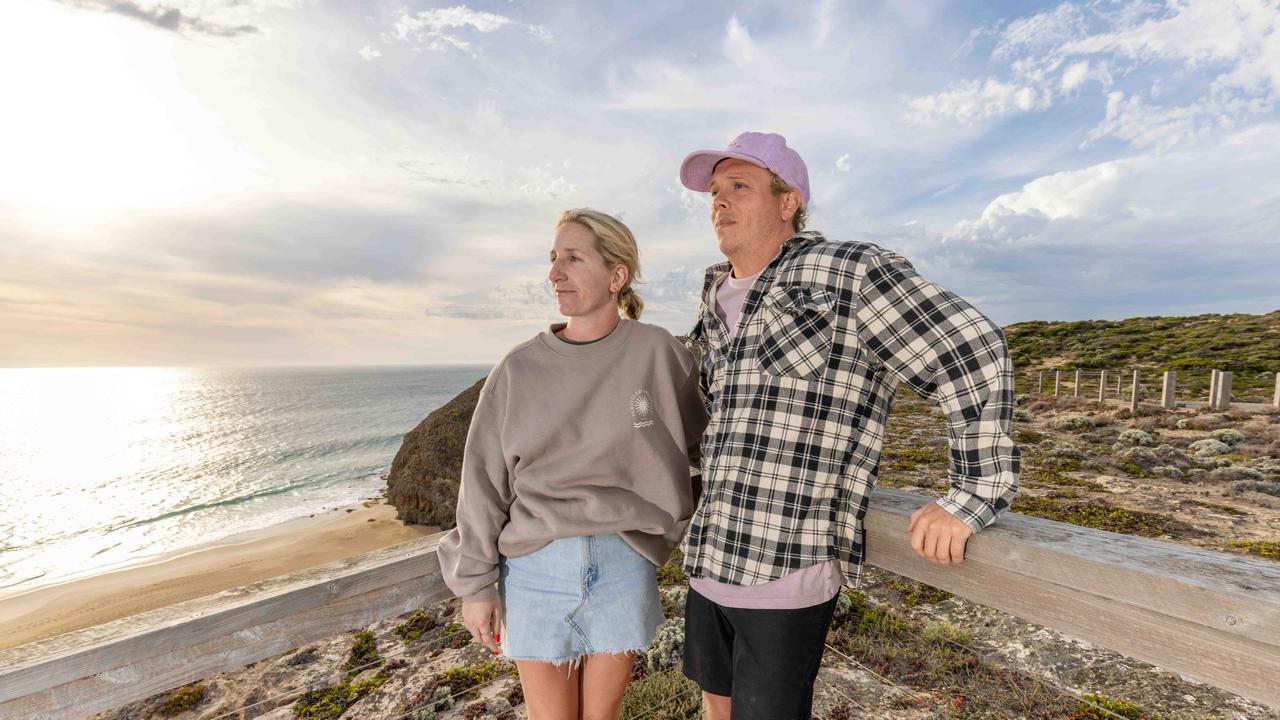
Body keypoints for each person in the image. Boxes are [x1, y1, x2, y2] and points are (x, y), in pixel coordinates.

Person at [676, 132, 1021, 719]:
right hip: (708, 560)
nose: (720, 202)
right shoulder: (715, 293)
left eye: (740, 186)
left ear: (789, 202)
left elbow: (971, 349)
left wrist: (971, 493)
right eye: (714, 190)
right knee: (716, 709)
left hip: (787, 565)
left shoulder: (848, 272)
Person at [437, 208, 706, 720]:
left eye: (573, 258)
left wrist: (672, 511)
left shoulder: (659, 352)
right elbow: (482, 484)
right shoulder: (518, 367)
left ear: (616, 275)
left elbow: (698, 440)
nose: (555, 273)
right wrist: (475, 586)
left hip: (626, 560)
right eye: (553, 259)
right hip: (536, 565)